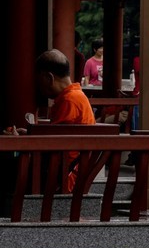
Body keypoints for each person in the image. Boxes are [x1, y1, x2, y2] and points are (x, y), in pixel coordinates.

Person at [5, 50, 96, 191]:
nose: (39, 89)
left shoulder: (69, 100)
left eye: (40, 82)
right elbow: (57, 136)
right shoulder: (76, 96)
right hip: (66, 170)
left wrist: (20, 141)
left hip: (64, 177)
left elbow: (51, 144)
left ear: (49, 78)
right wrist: (29, 135)